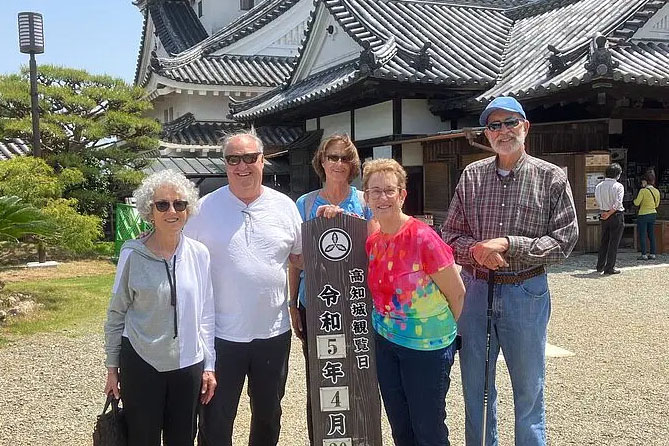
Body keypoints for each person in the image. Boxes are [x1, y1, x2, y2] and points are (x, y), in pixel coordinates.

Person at [442, 96, 578, 446]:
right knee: (477, 389)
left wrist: (507, 244)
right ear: (487, 134)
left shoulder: (551, 177)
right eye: (494, 125)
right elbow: (451, 234)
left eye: (510, 123)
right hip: (476, 290)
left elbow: (564, 240)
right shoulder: (472, 176)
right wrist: (476, 252)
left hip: (526, 291)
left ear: (525, 127)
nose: (503, 131)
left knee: (529, 391)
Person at [184, 129, 303, 446]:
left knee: (268, 413)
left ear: (263, 161)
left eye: (250, 158)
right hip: (221, 334)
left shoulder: (285, 207)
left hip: (273, 332)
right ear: (225, 164)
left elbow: (301, 259)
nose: (242, 167)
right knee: (216, 415)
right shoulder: (203, 209)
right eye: (233, 159)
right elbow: (180, 260)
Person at [104, 170, 216, 446]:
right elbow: (116, 313)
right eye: (162, 204)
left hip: (188, 363)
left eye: (180, 204)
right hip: (142, 361)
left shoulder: (199, 254)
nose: (172, 211)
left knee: (183, 438)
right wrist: (112, 367)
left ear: (188, 210)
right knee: (142, 438)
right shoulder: (131, 253)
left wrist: (209, 365)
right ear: (149, 211)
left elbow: (206, 313)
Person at [363, 158, 465, 446]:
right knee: (401, 427)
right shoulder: (374, 241)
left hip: (426, 348)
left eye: (389, 190)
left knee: (428, 428)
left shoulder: (423, 238)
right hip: (386, 342)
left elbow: (457, 294)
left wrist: (436, 331)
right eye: (375, 191)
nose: (383, 197)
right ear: (367, 196)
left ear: (402, 194)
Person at [287, 133, 376, 444]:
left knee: (359, 375)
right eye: (332, 157)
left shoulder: (365, 200)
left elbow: (377, 246)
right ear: (321, 161)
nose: (338, 163)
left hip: (358, 303)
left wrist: (347, 219)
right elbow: (295, 260)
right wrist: (291, 304)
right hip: (315, 303)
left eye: (345, 157)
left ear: (353, 164)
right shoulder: (306, 203)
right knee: (321, 377)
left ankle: (360, 437)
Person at [595, 163, 625, 274]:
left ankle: (600, 265)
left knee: (604, 241)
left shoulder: (599, 186)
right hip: (616, 214)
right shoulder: (618, 186)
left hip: (603, 214)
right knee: (614, 242)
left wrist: (605, 213)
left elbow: (597, 201)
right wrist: (610, 212)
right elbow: (618, 203)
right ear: (617, 175)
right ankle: (609, 267)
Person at [634, 170, 660, 260]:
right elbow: (657, 205)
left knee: (642, 234)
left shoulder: (643, 191)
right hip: (653, 214)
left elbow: (637, 203)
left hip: (643, 214)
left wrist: (634, 200)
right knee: (651, 234)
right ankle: (653, 253)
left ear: (645, 181)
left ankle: (644, 254)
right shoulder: (656, 191)